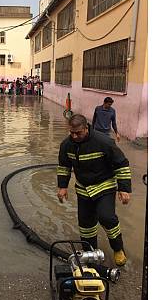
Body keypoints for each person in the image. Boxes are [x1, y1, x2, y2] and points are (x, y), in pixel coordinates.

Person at [56, 114, 132, 266]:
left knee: (107, 217)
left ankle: (118, 248)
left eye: (78, 133)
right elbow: (64, 167)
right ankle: (90, 254)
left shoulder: (103, 142)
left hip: (104, 185)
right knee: (85, 225)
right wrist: (63, 187)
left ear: (86, 128)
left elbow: (121, 164)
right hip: (83, 189)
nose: (74, 136)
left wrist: (124, 189)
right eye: (71, 132)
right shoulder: (66, 145)